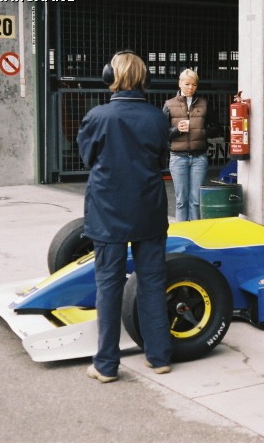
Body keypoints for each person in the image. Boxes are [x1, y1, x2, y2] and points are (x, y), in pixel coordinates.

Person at [77, 51, 172, 383]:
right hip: (148, 209)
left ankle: (106, 365)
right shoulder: (159, 118)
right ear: (145, 79)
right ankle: (159, 356)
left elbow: (88, 158)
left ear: (110, 77)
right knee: (153, 283)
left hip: (108, 212)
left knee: (109, 286)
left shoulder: (98, 116)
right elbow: (161, 159)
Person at [163, 69, 214, 221]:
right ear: (180, 84)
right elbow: (162, 132)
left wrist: (202, 132)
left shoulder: (204, 104)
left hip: (199, 158)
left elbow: (216, 127)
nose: (190, 87)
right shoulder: (169, 104)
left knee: (196, 201)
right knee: (181, 201)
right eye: (187, 84)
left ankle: (195, 235)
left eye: (194, 85)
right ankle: (182, 235)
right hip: (178, 157)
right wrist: (176, 130)